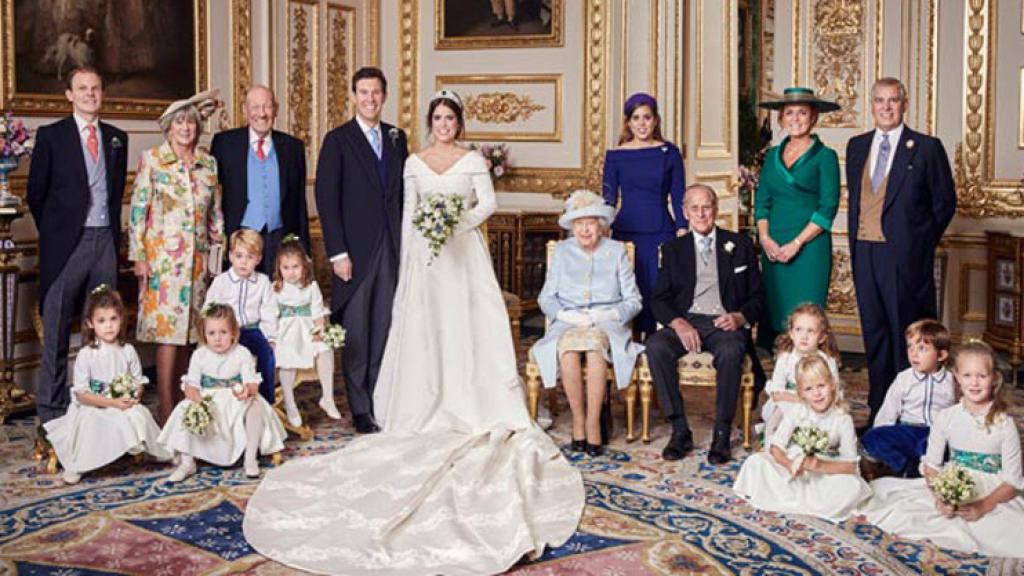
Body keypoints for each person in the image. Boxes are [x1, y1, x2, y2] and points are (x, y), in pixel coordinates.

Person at [243, 89, 584, 576]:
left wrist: (455, 221)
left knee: (466, 329)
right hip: (426, 261)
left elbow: (487, 204)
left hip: (463, 256)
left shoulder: (471, 161)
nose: (444, 124)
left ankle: (470, 398)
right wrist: (417, 249)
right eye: (438, 117)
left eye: (450, 118)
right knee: (425, 330)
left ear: (458, 124)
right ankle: (423, 400)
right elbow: (405, 213)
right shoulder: (414, 160)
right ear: (430, 122)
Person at [846, 77, 956, 419]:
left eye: (893, 100)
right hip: (865, 253)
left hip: (905, 259)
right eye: (880, 100)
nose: (886, 107)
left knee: (905, 337)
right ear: (872, 105)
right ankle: (880, 413)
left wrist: (917, 244)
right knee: (875, 336)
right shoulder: (857, 146)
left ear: (904, 104)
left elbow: (945, 203)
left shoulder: (925, 147)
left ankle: (910, 415)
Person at [27, 66, 128, 434]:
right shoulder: (52, 136)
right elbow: (35, 194)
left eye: (95, 88)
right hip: (67, 246)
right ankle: (52, 417)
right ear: (69, 94)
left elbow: (114, 194)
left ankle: (103, 412)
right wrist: (58, 234)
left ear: (102, 93)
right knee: (55, 329)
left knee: (105, 331)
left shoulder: (117, 138)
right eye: (82, 88)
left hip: (105, 241)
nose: (90, 94)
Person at [859, 340, 1024, 558]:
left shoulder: (1005, 424)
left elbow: (1012, 481)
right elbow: (932, 466)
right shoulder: (946, 417)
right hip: (953, 482)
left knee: (1009, 533)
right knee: (900, 511)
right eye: (967, 376)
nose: (974, 383)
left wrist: (983, 506)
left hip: (992, 490)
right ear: (956, 376)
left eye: (981, 376)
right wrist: (941, 497)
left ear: (993, 378)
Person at [314, 67, 408, 434]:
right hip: (353, 251)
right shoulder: (337, 140)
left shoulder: (397, 138)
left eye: (376, 93)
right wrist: (337, 252)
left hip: (391, 246)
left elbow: (404, 193)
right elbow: (326, 197)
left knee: (384, 327)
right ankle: (361, 409)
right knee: (356, 332)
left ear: (385, 96)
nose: (370, 99)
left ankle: (380, 399)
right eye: (363, 92)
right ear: (353, 96)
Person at [645, 184, 765, 465]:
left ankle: (721, 433)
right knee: (655, 347)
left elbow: (759, 297)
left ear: (716, 210)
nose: (701, 213)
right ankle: (679, 430)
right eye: (694, 208)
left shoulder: (740, 245)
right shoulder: (673, 249)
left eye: (707, 207)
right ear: (685, 212)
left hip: (724, 322)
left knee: (732, 350)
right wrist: (679, 324)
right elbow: (659, 299)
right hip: (687, 320)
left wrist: (740, 317)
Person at [129, 89, 224, 423]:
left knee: (190, 335)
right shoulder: (153, 160)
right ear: (169, 128)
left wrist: (217, 256)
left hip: (197, 264)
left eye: (191, 122)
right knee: (167, 334)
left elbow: (215, 215)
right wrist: (138, 257)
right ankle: (166, 410)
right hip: (163, 264)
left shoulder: (207, 163)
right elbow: (138, 211)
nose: (186, 128)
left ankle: (185, 405)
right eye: (180, 122)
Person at [532, 190, 643, 456]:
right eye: (579, 223)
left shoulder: (616, 252)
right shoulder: (561, 251)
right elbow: (546, 298)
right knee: (568, 350)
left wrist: (604, 316)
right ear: (572, 226)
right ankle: (578, 421)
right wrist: (566, 316)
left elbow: (634, 301)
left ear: (601, 225)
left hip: (606, 322)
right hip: (568, 320)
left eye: (590, 222)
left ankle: (593, 423)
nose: (585, 229)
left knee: (594, 349)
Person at [43, 286, 171, 485]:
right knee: (89, 422)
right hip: (95, 403)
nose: (109, 326)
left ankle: (160, 453)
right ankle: (78, 464)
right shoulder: (87, 354)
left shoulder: (127, 350)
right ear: (90, 323)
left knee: (139, 415)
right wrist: (111, 403)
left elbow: (138, 381)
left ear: (121, 319)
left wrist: (134, 396)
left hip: (121, 402)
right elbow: (82, 395)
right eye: (102, 321)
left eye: (113, 319)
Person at [159, 303, 286, 482]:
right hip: (208, 398)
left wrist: (247, 391)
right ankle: (187, 462)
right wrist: (198, 403)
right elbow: (191, 385)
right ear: (204, 335)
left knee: (256, 407)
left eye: (223, 332)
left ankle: (250, 457)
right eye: (212, 333)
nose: (218, 338)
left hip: (235, 400)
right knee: (184, 409)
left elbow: (252, 382)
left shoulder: (242, 353)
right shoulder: (200, 355)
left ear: (233, 332)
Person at [734, 354, 870, 521]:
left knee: (851, 487)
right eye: (809, 389)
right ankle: (797, 498)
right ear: (801, 393)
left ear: (833, 385)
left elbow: (850, 466)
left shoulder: (842, 419)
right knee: (755, 462)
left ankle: (804, 501)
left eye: (821, 386)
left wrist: (819, 466)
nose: (817, 394)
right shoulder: (797, 411)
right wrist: (789, 464)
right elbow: (776, 446)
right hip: (793, 468)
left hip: (824, 471)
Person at [754, 87, 840, 347]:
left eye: (802, 113)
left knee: (807, 315)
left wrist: (796, 243)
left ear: (813, 117)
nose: (795, 118)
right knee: (777, 313)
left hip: (809, 247)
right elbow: (762, 203)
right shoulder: (771, 156)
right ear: (781, 118)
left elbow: (827, 209)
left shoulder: (826, 157)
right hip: (774, 246)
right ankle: (781, 376)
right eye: (789, 113)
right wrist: (765, 238)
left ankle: (810, 377)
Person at [602, 92, 686, 336]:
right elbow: (609, 198)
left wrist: (682, 229)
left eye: (647, 117)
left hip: (661, 231)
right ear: (628, 122)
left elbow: (679, 194)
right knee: (628, 287)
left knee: (658, 288)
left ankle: (658, 344)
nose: (642, 123)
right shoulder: (615, 155)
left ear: (656, 120)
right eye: (636, 118)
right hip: (625, 231)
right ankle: (627, 341)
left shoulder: (669, 152)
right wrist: (603, 231)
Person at [211, 85, 309, 273]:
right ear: (245, 111)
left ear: (276, 110)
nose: (261, 114)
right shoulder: (224, 144)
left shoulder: (293, 147)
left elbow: (299, 204)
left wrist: (304, 249)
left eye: (267, 107)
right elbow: (211, 193)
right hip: (240, 238)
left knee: (278, 295)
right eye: (255, 107)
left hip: (279, 236)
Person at [861, 319, 954, 479]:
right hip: (907, 430)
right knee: (871, 438)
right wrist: (882, 432)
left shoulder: (952, 382)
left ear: (941, 355)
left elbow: (960, 411)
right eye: (910, 346)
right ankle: (904, 466)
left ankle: (918, 467)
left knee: (943, 448)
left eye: (922, 349)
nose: (913, 353)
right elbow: (889, 410)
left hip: (935, 433)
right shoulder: (904, 379)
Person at [271, 235, 341, 427]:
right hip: (286, 330)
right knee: (287, 357)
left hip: (308, 327)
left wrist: (320, 330)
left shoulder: (311, 286)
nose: (291, 273)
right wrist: (272, 337)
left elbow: (318, 311)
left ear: (304, 266)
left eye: (296, 267)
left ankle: (327, 397)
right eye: (286, 268)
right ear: (279, 268)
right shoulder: (276, 288)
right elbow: (271, 315)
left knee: (325, 349)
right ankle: (290, 402)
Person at [204, 229, 278, 404]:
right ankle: (223, 397)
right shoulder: (221, 281)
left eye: (250, 257)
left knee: (266, 354)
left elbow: (269, 311)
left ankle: (265, 400)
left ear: (258, 259)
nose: (243, 262)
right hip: (227, 331)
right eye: (239, 256)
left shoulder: (262, 282)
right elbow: (209, 309)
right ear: (230, 256)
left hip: (252, 330)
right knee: (224, 356)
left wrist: (270, 336)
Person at [761, 303, 841, 442]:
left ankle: (813, 443)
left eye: (811, 331)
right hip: (788, 401)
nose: (804, 336)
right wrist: (799, 399)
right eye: (799, 330)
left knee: (830, 428)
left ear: (821, 337)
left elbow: (834, 391)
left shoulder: (827, 361)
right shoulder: (785, 359)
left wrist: (815, 401)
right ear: (791, 333)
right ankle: (773, 444)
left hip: (817, 401)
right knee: (779, 415)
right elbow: (777, 392)